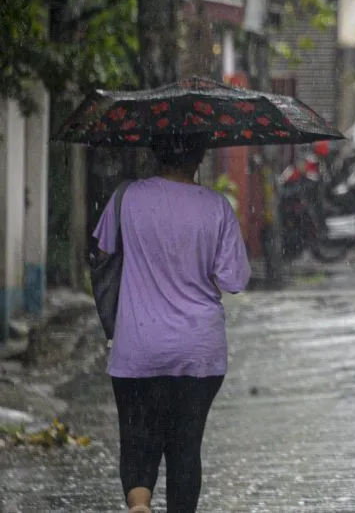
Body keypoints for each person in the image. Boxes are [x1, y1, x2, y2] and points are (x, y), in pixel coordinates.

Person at [93, 134, 250, 513]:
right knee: (185, 446)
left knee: (137, 435)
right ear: (200, 156)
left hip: (138, 346)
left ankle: (140, 504)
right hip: (198, 350)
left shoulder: (124, 198)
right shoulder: (217, 207)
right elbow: (234, 280)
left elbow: (101, 256)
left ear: (154, 152)